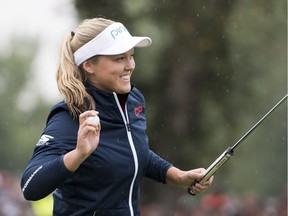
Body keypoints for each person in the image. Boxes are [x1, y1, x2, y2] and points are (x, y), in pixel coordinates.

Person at [20, 17, 213, 216]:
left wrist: (178, 176)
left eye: (131, 56)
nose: (130, 65)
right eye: (119, 58)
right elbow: (30, 185)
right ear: (89, 65)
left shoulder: (133, 101)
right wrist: (78, 155)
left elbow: (134, 150)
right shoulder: (70, 115)